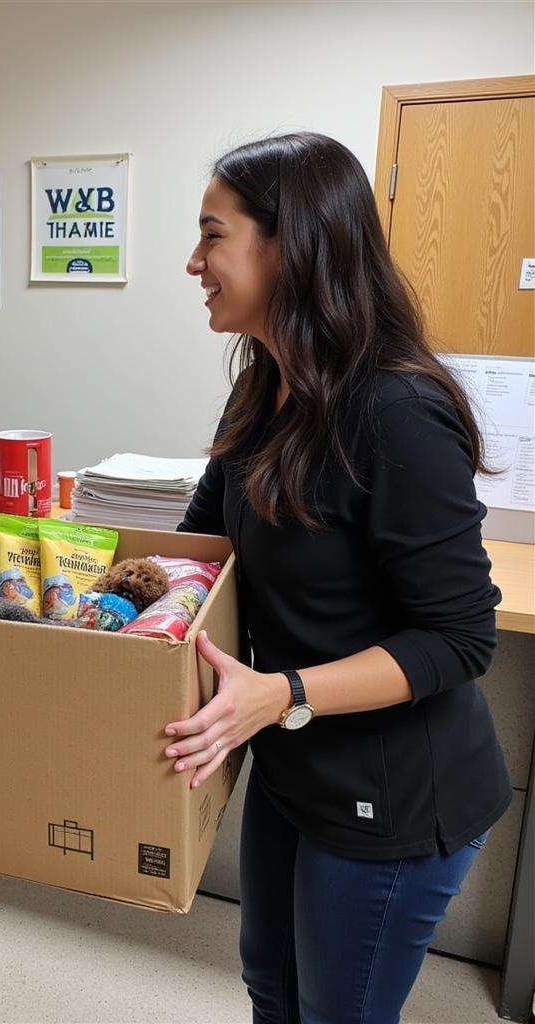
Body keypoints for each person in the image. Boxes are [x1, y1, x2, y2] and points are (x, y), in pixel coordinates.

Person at [166, 133, 510, 1023]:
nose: (193, 261)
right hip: (296, 762)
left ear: (291, 245)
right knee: (272, 990)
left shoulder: (395, 412)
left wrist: (280, 693)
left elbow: (461, 637)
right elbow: (203, 545)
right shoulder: (267, 385)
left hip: (394, 791)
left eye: (213, 236)